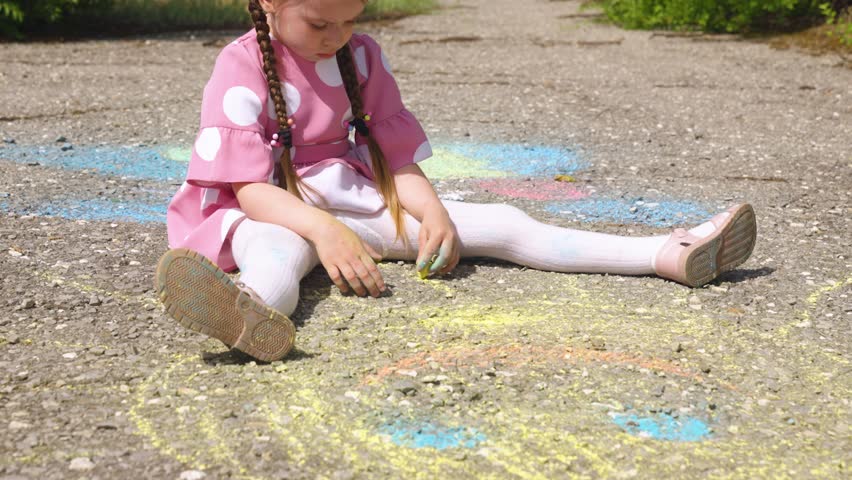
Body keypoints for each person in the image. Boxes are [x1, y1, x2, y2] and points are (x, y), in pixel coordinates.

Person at [155, 0, 757, 362]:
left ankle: (664, 254)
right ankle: (252, 317)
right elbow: (251, 188)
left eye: (351, 18)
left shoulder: (359, 57)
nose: (337, 35)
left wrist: (433, 211)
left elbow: (395, 158)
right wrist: (326, 232)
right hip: (270, 207)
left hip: (348, 193)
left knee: (500, 224)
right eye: (320, 23)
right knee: (278, 252)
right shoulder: (241, 64)